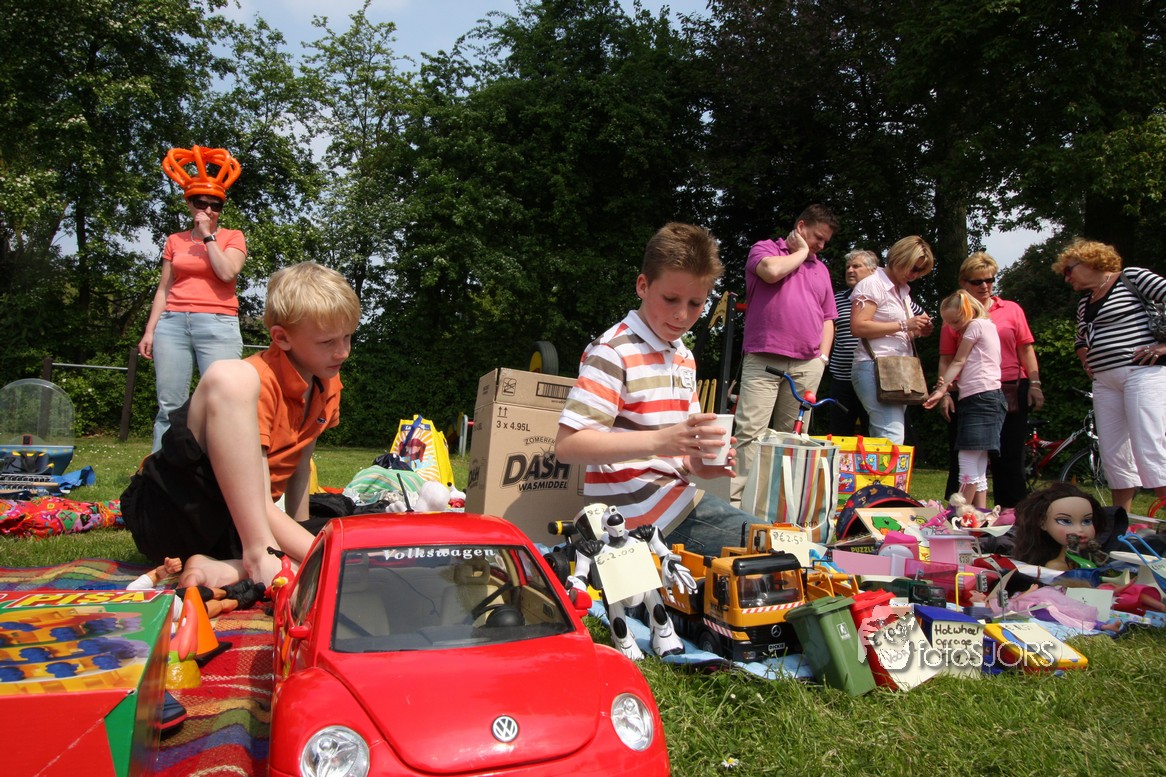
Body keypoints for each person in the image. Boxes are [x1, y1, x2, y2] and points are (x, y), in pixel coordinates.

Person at [121, 262, 361, 588]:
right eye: (327, 342)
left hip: (235, 526)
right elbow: (257, 501)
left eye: (348, 337)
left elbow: (300, 465)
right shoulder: (257, 382)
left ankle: (223, 569)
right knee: (229, 376)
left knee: (346, 534)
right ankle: (260, 556)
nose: (342, 352)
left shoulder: (327, 384)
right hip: (174, 512)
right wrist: (333, 559)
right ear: (282, 338)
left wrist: (305, 528)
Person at [556, 222, 758, 556]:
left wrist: (706, 464)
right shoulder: (613, 351)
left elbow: (684, 458)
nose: (682, 315)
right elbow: (567, 446)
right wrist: (661, 441)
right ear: (643, 286)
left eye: (696, 303)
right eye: (670, 299)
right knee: (778, 549)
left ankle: (862, 564)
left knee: (782, 542)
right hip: (633, 519)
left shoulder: (683, 356)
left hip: (676, 502)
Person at [731, 204, 839, 503]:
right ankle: (735, 505)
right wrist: (802, 251)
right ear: (801, 227)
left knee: (793, 439)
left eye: (825, 242)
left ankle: (781, 506)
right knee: (750, 434)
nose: (821, 246)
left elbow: (828, 318)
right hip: (763, 358)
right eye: (818, 237)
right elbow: (771, 272)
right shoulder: (765, 249)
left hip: (808, 363)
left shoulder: (821, 269)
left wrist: (822, 359)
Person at [140, 146, 246, 451]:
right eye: (202, 203)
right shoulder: (175, 241)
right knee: (170, 406)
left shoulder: (232, 237)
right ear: (189, 203)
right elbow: (164, 288)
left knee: (221, 403)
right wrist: (150, 330)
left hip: (218, 323)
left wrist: (208, 236)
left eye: (216, 205)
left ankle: (217, 470)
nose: (209, 210)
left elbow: (227, 272)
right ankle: (160, 471)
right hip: (172, 323)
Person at [1055, 238, 1166, 513]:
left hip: (1141, 373)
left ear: (1089, 262)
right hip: (1105, 381)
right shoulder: (1085, 303)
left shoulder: (1133, 278)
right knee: (1114, 453)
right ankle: (1121, 521)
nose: (1066, 278)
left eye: (1069, 270)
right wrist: (1086, 359)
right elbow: (1080, 340)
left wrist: (1164, 346)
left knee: (1150, 445)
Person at [939, 252, 1043, 507]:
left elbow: (1025, 349)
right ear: (964, 283)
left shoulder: (1011, 309)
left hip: (1010, 386)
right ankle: (967, 510)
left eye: (989, 279)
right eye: (977, 281)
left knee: (1009, 454)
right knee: (967, 453)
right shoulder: (955, 315)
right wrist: (945, 393)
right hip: (970, 391)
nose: (985, 286)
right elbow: (948, 358)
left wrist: (1035, 384)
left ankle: (1011, 511)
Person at [923, 290, 1007, 508]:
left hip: (980, 399)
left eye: (956, 321)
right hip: (985, 397)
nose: (953, 327)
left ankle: (957, 514)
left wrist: (942, 389)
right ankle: (978, 514)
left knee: (968, 461)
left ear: (969, 311)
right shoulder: (986, 326)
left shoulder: (976, 325)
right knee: (978, 464)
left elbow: (959, 361)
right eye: (949, 323)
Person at [848, 236, 935, 444]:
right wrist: (905, 324)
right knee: (891, 436)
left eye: (919, 271)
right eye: (912, 268)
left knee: (887, 435)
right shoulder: (871, 285)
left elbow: (900, 333)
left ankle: (878, 467)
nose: (914, 275)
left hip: (898, 371)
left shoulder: (902, 291)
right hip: (875, 367)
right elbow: (858, 327)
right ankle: (884, 468)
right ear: (898, 258)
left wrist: (919, 330)